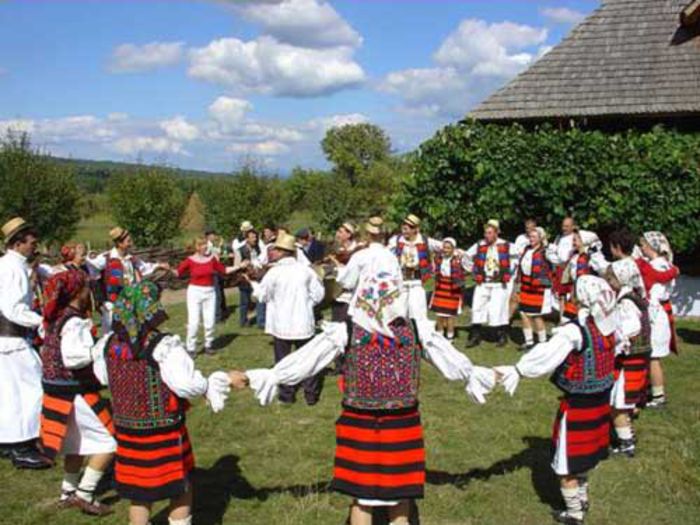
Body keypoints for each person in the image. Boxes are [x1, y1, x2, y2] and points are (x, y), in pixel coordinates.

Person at [233, 217, 495, 525]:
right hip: (400, 421)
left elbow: (310, 358)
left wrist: (268, 376)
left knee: (364, 499)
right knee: (399, 500)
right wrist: (477, 373)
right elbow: (450, 359)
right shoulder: (412, 330)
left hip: (364, 422)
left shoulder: (349, 330)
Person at [92, 280, 232, 525]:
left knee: (139, 492)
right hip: (163, 431)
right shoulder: (162, 345)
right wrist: (207, 385)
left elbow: (103, 377)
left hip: (127, 428)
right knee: (180, 485)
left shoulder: (108, 345)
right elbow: (186, 384)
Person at [495, 276, 618, 525]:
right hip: (601, 402)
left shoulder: (575, 331)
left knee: (566, 463)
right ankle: (581, 500)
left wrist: (518, 370)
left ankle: (574, 513)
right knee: (583, 458)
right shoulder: (607, 326)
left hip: (579, 405)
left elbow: (546, 356)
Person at [39, 267, 116, 515]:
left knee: (75, 444)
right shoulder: (74, 322)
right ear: (77, 291)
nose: (88, 292)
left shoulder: (55, 318)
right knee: (109, 440)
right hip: (75, 391)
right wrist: (102, 345)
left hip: (56, 391)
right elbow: (75, 359)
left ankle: (67, 491)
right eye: (85, 288)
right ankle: (84, 493)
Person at [244, 233, 325, 405]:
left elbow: (262, 296)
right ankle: (311, 395)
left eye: (276, 249)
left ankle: (287, 395)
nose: (273, 252)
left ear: (282, 252)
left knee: (283, 361)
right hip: (304, 322)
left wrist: (252, 284)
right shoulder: (306, 271)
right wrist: (306, 305)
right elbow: (319, 295)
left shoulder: (274, 273)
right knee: (308, 360)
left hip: (282, 324)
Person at [0, 217, 51, 469]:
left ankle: (12, 443)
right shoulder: (12, 267)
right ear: (18, 243)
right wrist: (41, 320)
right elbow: (12, 308)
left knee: (10, 394)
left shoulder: (9, 265)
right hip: (11, 341)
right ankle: (23, 446)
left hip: (9, 341)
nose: (35, 246)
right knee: (31, 390)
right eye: (32, 242)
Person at [603, 244, 650, 458]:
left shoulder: (626, 303)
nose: (609, 283)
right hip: (635, 359)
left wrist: (614, 344)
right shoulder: (634, 296)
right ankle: (623, 436)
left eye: (611, 280)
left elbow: (630, 330)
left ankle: (626, 443)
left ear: (621, 279)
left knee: (618, 404)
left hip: (629, 359)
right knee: (619, 402)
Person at [87, 227, 168, 333]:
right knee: (112, 334)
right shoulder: (107, 258)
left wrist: (159, 266)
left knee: (132, 332)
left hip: (130, 302)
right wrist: (96, 277)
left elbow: (144, 267)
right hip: (112, 303)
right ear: (120, 243)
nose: (131, 243)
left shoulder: (131, 259)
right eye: (128, 241)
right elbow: (91, 264)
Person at [174, 237, 245, 356]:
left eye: (206, 245)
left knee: (210, 321)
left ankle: (209, 345)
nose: (205, 247)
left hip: (210, 292)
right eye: (202, 245)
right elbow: (177, 272)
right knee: (194, 322)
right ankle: (191, 347)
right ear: (196, 247)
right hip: (195, 292)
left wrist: (239, 266)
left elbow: (224, 270)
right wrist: (162, 268)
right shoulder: (189, 260)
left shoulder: (211, 260)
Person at [638, 232, 677, 409]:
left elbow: (655, 293)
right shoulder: (664, 264)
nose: (642, 248)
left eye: (644, 244)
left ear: (652, 246)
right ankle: (649, 390)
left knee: (653, 357)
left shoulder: (657, 265)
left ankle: (658, 395)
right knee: (650, 356)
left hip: (656, 313)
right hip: (658, 310)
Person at [463, 220, 517, 348]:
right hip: (483, 282)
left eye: (490, 233)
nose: (487, 236)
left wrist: (508, 273)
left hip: (499, 283)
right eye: (486, 233)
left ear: (496, 233)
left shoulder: (506, 245)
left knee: (498, 308)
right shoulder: (480, 245)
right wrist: (474, 271)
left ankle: (501, 335)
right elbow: (466, 257)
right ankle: (475, 336)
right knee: (477, 306)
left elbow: (517, 259)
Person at [388, 214, 443, 320]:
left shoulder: (424, 241)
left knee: (418, 311)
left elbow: (443, 247)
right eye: (403, 228)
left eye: (408, 228)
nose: (405, 231)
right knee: (398, 311)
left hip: (417, 280)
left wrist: (457, 252)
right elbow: (385, 254)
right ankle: (401, 333)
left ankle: (420, 334)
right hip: (400, 280)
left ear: (416, 229)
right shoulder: (396, 240)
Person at [517, 227, 552, 350]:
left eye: (534, 237)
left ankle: (543, 342)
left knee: (536, 314)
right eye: (530, 237)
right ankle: (529, 341)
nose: (531, 239)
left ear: (540, 238)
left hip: (537, 287)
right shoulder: (527, 249)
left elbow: (554, 262)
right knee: (523, 313)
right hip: (526, 285)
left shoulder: (545, 252)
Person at [558, 230, 601, 322]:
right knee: (566, 320)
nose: (573, 243)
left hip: (587, 295)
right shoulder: (574, 257)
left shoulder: (591, 258)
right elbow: (568, 276)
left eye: (575, 240)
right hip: (575, 294)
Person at [429, 238, 465, 340]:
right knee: (440, 313)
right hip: (441, 286)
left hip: (453, 288)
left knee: (450, 314)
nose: (445, 250)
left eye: (448, 248)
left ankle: (450, 335)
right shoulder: (439, 258)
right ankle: (439, 334)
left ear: (453, 249)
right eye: (444, 247)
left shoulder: (458, 259)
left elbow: (468, 265)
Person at [328, 222, 361, 323]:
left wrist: (337, 264)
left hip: (351, 296)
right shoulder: (336, 250)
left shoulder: (358, 251)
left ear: (349, 234)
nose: (337, 234)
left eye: (340, 232)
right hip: (337, 295)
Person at [235, 228, 266, 329]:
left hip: (256, 277)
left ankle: (260, 321)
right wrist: (243, 266)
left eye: (256, 237)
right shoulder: (240, 250)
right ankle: (243, 321)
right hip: (244, 277)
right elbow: (236, 265)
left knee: (259, 298)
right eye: (252, 237)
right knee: (245, 301)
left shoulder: (258, 249)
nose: (255, 239)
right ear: (247, 238)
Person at [510, 218, 539, 318]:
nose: (529, 230)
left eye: (531, 228)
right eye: (527, 228)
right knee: (515, 295)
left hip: (534, 273)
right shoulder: (520, 238)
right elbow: (516, 253)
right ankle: (508, 319)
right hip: (520, 270)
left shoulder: (539, 239)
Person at [204, 227, 228, 322]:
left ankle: (221, 311)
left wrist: (220, 246)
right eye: (212, 235)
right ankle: (216, 316)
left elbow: (218, 254)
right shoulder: (207, 245)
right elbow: (207, 255)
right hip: (212, 271)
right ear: (208, 236)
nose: (214, 236)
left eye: (214, 235)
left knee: (220, 291)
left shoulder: (213, 245)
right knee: (216, 293)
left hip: (218, 269)